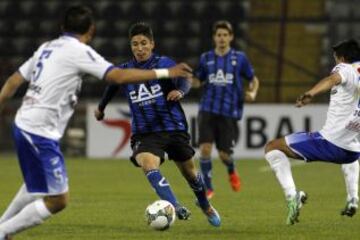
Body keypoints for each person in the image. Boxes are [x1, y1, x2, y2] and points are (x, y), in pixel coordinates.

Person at [0, 6, 192, 239]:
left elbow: (12, 81)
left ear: (62, 27)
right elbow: (118, 77)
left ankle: (2, 226)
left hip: (23, 123)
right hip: (40, 132)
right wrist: (165, 73)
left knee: (35, 186)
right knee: (58, 199)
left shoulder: (46, 48)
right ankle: (3, 231)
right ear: (91, 31)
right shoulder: (79, 52)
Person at [94, 22, 221, 227]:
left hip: (173, 127)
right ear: (131, 46)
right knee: (148, 165)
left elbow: (186, 78)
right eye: (135, 44)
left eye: (144, 43)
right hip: (145, 133)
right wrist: (101, 108)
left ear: (152, 44)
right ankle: (174, 205)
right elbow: (111, 86)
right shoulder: (125, 70)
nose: (140, 48)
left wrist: (180, 91)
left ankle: (205, 204)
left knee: (190, 173)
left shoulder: (164, 63)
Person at [264, 39, 360, 225]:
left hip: (329, 142)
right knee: (352, 153)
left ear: (342, 58)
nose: (335, 63)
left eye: (335, 59)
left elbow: (332, 79)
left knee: (272, 147)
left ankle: (293, 197)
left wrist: (311, 93)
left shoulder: (345, 69)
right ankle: (353, 197)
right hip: (353, 150)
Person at [192, 20, 260, 198]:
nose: (221, 38)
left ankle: (231, 169)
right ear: (214, 38)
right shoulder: (205, 58)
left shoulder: (240, 58)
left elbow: (254, 79)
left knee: (224, 155)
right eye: (218, 35)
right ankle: (208, 187)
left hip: (229, 113)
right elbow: (198, 80)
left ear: (231, 37)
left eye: (225, 35)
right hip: (207, 109)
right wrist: (190, 80)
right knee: (205, 149)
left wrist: (252, 92)